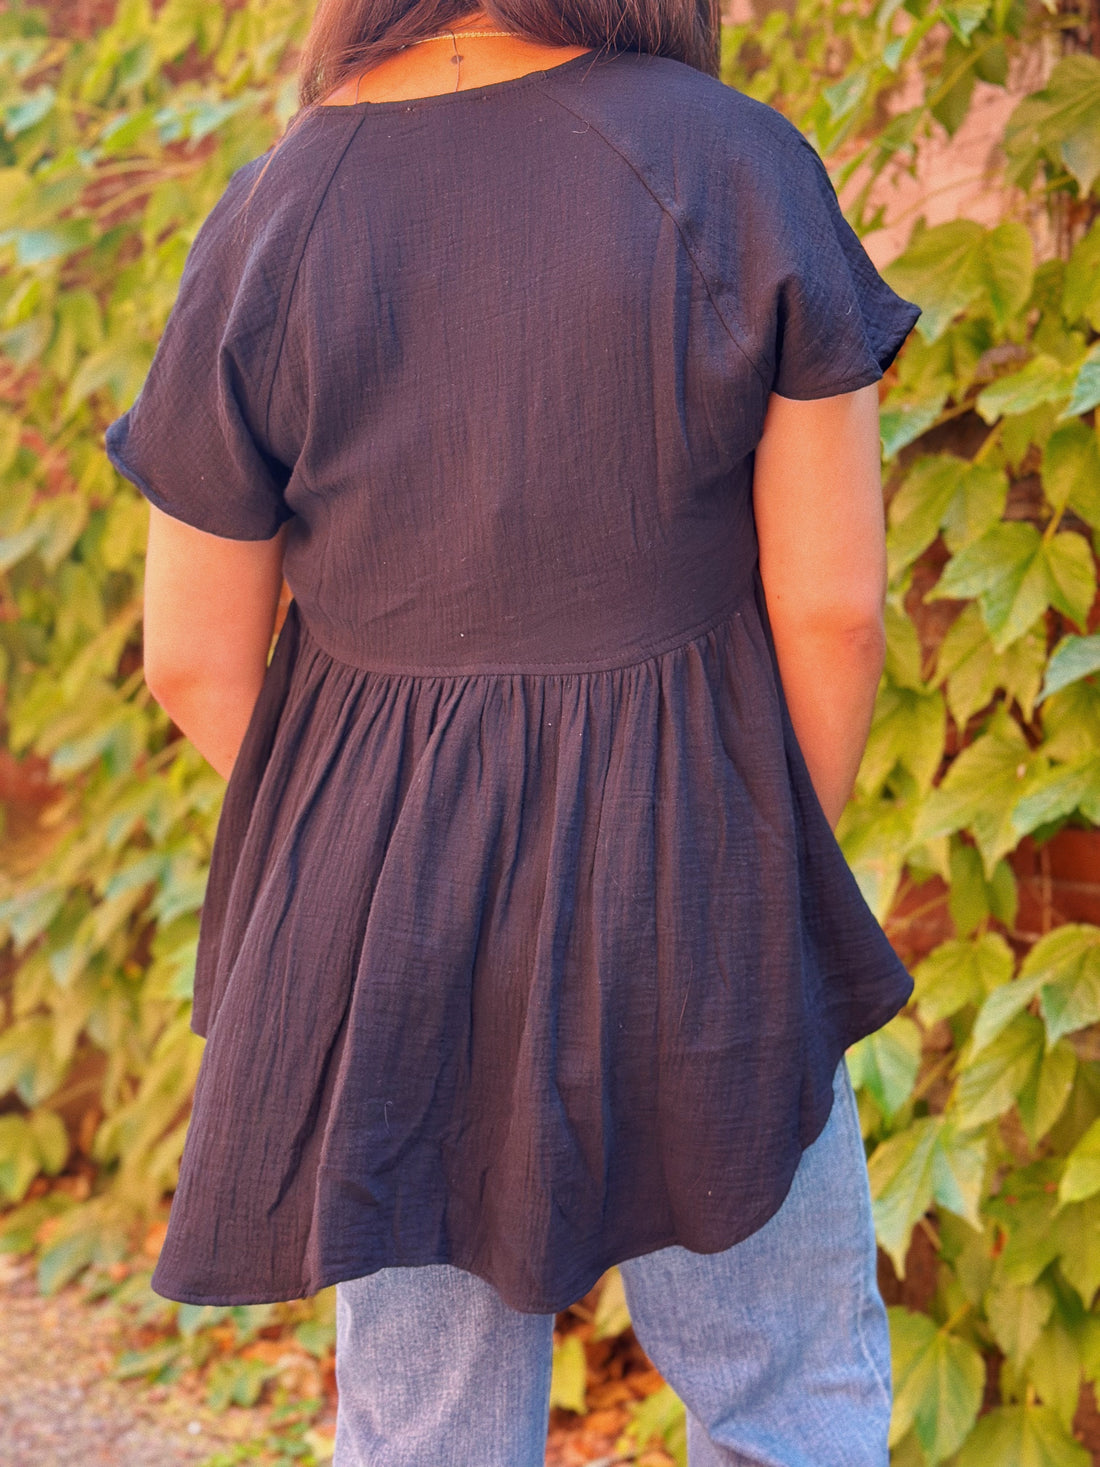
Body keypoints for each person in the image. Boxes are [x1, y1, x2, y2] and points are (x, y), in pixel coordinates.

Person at [104, 2, 921, 1462]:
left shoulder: (277, 207)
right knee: (787, 1397)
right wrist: (763, 856)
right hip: (696, 876)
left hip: (399, 926)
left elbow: (191, 656)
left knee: (428, 1431)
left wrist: (372, 839)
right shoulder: (732, 164)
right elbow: (835, 611)